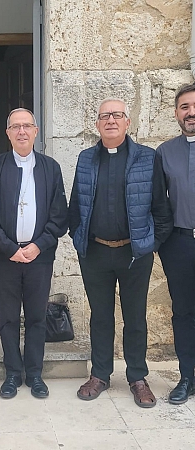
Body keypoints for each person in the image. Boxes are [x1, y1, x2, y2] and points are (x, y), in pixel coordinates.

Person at [69, 98, 173, 408]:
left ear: (128, 122)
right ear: (97, 124)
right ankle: (100, 374)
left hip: (134, 254)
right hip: (96, 253)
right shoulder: (86, 158)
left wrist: (150, 244)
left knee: (135, 317)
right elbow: (76, 204)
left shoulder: (147, 157)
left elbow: (161, 208)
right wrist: (78, 238)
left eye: (117, 115)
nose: (111, 120)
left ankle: (137, 377)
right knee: (100, 317)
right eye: (104, 116)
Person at [0, 108, 68, 399]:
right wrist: (9, 248)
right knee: (7, 318)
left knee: (36, 317)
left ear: (36, 131)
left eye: (26, 126)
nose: (21, 132)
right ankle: (12, 373)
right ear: (7, 133)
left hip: (39, 256)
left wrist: (38, 245)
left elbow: (59, 215)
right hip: (5, 258)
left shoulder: (50, 168)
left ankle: (35, 374)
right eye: (15, 127)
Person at [157, 83, 195, 404]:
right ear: (176, 113)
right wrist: (162, 242)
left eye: (194, 106)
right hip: (180, 243)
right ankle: (186, 377)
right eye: (184, 107)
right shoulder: (165, 152)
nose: (191, 112)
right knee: (182, 312)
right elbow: (158, 202)